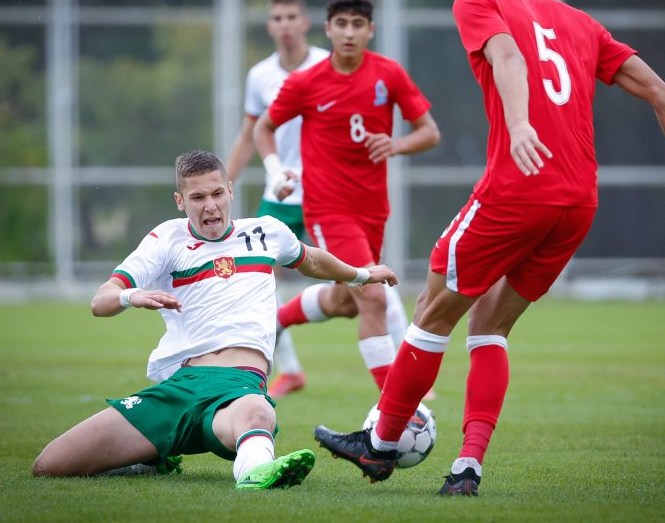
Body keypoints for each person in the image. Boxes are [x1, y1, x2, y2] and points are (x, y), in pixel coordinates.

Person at [313, 0, 665, 497]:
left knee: (433, 310)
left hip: (516, 188)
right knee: (491, 326)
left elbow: (506, 54)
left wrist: (522, 122)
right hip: (578, 201)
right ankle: (467, 468)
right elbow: (662, 92)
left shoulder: (476, 1)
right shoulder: (578, 21)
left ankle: (381, 443)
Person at [31, 149, 399, 490]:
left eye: (217, 194)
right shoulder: (166, 238)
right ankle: (149, 457)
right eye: (197, 198)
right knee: (50, 464)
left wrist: (362, 275)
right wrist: (132, 296)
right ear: (180, 201)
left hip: (237, 386)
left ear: (230, 191)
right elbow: (101, 301)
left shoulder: (265, 232)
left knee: (257, 415)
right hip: (177, 388)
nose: (210, 206)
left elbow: (313, 260)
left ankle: (256, 473)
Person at [254, 0, 440, 393]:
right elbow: (263, 126)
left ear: (370, 29)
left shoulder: (388, 73)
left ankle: (281, 318)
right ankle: (400, 414)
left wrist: (397, 144)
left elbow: (429, 132)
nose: (349, 32)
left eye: (358, 24)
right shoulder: (306, 83)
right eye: (342, 24)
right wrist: (275, 170)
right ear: (328, 29)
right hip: (327, 209)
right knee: (373, 296)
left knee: (347, 301)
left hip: (373, 209)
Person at [224, 0, 329, 399]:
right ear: (269, 26)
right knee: (255, 278)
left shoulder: (326, 64)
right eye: (277, 18)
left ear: (305, 22)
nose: (284, 24)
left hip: (326, 192)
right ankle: (291, 371)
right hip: (279, 192)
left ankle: (401, 374)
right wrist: (224, 185)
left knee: (362, 279)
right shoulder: (259, 76)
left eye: (291, 17)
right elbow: (249, 135)